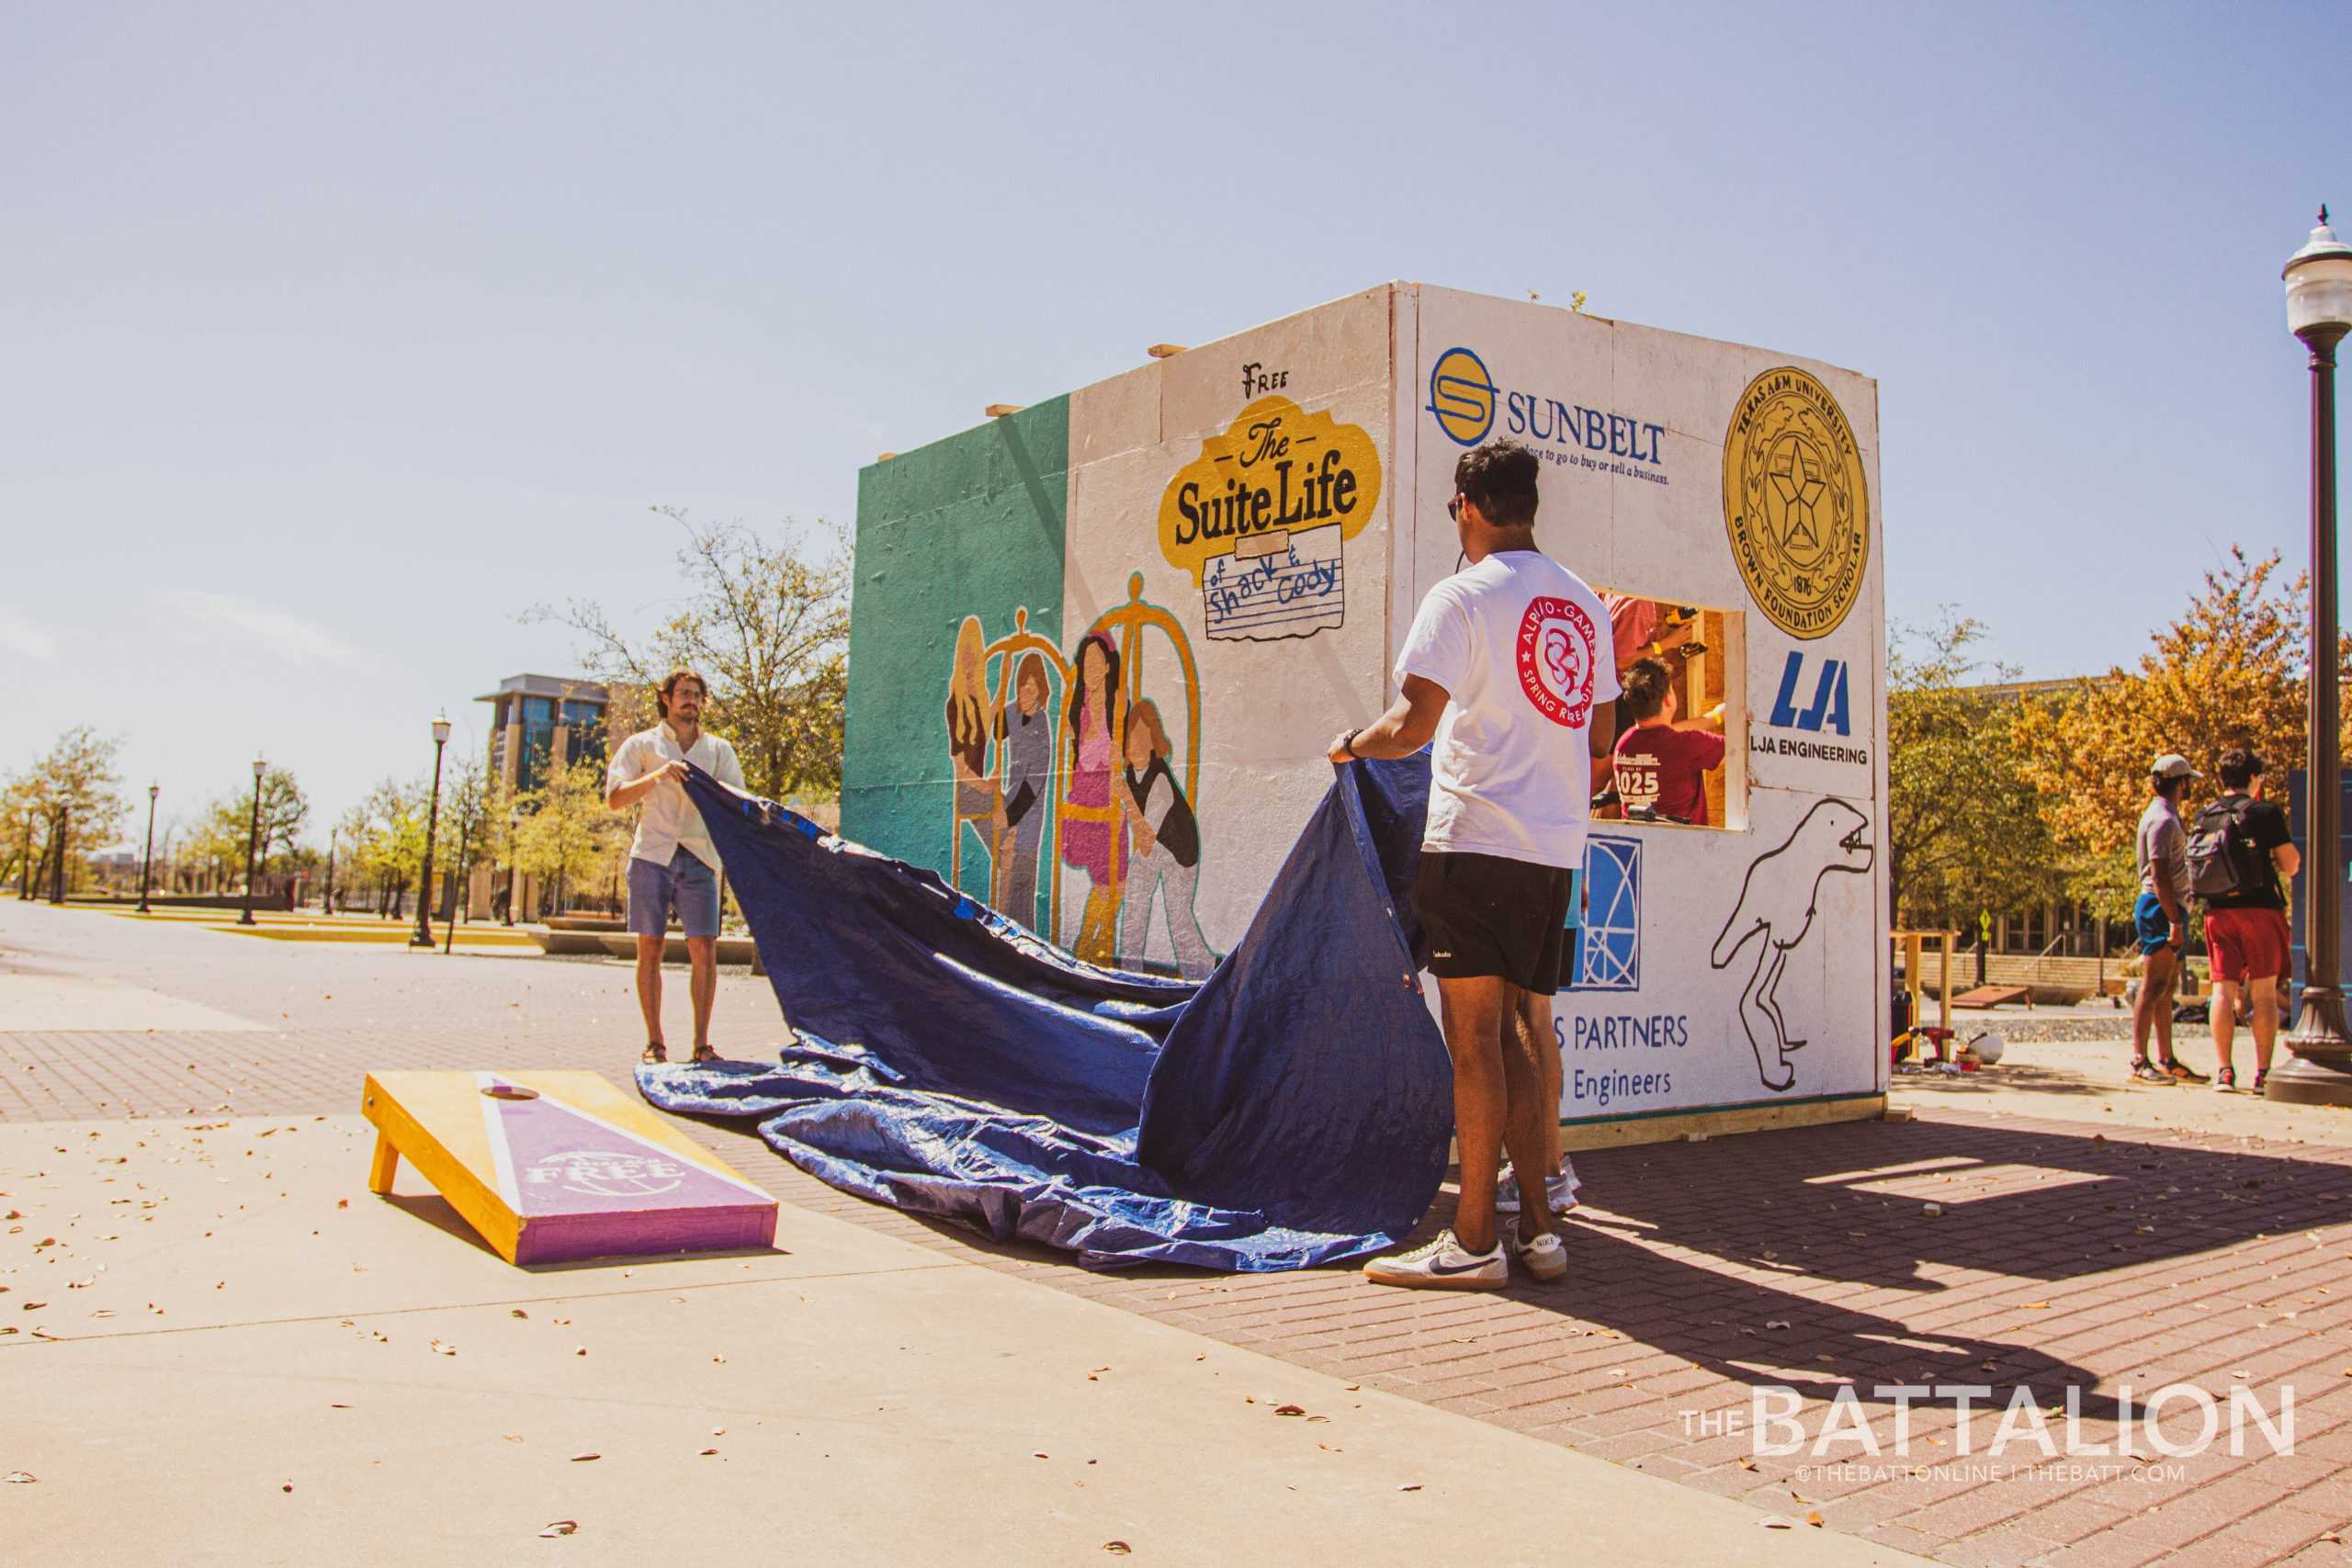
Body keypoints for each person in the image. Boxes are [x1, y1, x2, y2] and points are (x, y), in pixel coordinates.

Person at [1329, 437, 1616, 1290]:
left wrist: (1348, 746)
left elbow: (1411, 726)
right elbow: (1599, 737)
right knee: (1529, 1033)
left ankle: (1474, 1237)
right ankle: (1538, 1231)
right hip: (1553, 849)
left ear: (1466, 505)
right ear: (1530, 505)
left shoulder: (1459, 597)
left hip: (1474, 842)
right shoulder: (1584, 606)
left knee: (1476, 1043)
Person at [605, 669, 746, 1066]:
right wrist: (658, 775)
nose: (691, 700)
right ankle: (655, 1043)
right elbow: (614, 798)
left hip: (701, 856)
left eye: (697, 694)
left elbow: (737, 801)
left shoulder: (718, 750)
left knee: (704, 949)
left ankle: (702, 1045)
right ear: (665, 698)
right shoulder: (641, 745)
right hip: (652, 854)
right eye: (683, 693)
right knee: (650, 948)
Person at [2196, 747, 2299, 1093]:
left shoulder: (2204, 815)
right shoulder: (2265, 812)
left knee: (2222, 990)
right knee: (2264, 993)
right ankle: (2263, 1074)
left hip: (2217, 911)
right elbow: (2290, 864)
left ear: (2221, 779)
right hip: (2259, 910)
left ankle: (2224, 1071)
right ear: (2254, 779)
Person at [1118, 698, 1215, 979]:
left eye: (1141, 737)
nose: (1134, 745)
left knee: (1178, 917)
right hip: (1154, 848)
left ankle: (1201, 971)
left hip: (1179, 852)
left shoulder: (1159, 779)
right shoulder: (1130, 772)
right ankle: (1129, 970)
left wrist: (1124, 795)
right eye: (1129, 739)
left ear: (1153, 741)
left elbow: (1146, 837)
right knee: (1135, 899)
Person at [2129, 753, 2207, 1084]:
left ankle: (2165, 1058)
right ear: (2182, 783)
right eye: (2189, 781)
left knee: (2167, 986)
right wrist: (2173, 919)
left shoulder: (2166, 816)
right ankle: (2139, 1060)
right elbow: (2159, 873)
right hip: (2161, 908)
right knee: (2153, 985)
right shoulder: (2162, 820)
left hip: (2172, 907)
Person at [1061, 631, 1126, 964]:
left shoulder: (1117, 704)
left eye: (1096, 661)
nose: (1091, 667)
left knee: (1118, 884)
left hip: (1110, 801)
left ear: (1106, 666)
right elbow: (1079, 761)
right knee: (1106, 885)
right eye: (1086, 661)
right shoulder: (1079, 710)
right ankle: (1090, 950)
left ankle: (1089, 947)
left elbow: (1122, 757)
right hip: (1087, 803)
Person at [1611, 657, 1726, 826]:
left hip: (1641, 843)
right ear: (1667, 699)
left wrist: (1715, 717)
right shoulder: (1686, 746)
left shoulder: (1624, 744)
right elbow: (1739, 750)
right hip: (1683, 845)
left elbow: (1663, 737)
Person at [993, 653, 1055, 929]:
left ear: (1041, 690)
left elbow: (1035, 783)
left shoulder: (1041, 724)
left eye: (1032, 688)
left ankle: (1021, 931)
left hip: (1029, 808)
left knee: (1022, 877)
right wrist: (1002, 683)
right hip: (1010, 798)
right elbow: (994, 732)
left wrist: (1010, 819)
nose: (1026, 693)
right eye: (1022, 687)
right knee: (1005, 871)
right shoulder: (1011, 712)